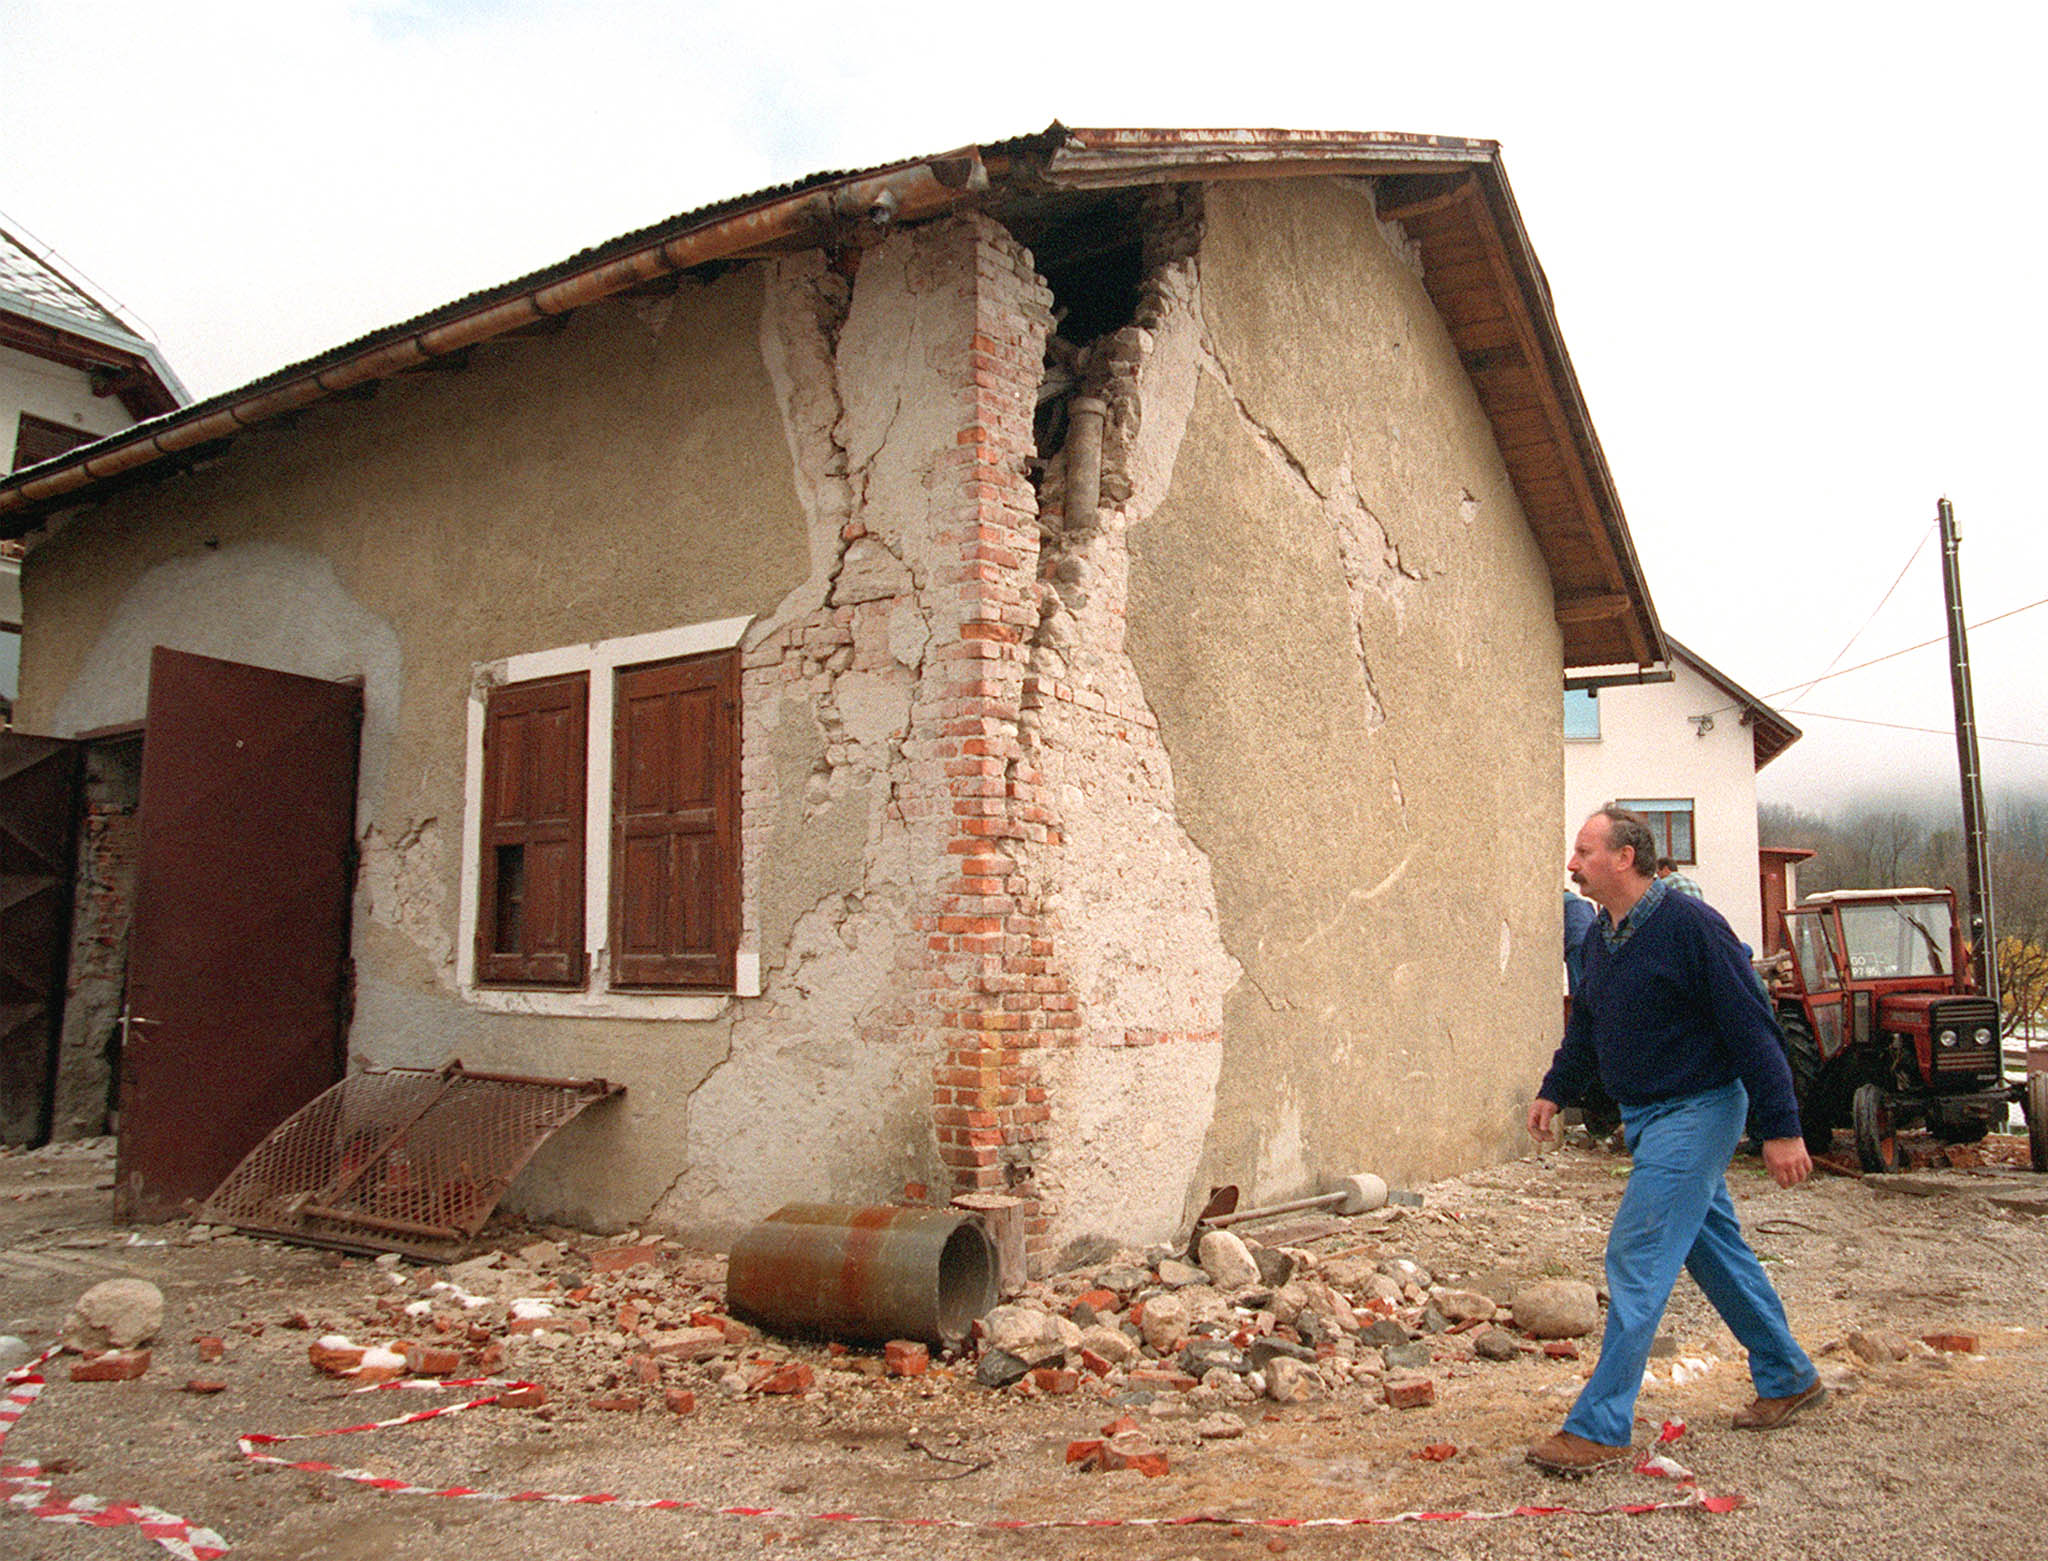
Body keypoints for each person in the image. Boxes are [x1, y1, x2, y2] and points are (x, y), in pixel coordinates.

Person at [1525, 805, 1824, 1475]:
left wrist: (1781, 1127)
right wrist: (1554, 1088)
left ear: (1623, 857)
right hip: (1650, 1114)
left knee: (1638, 1252)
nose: (1571, 864)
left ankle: (1600, 1425)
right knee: (1711, 1250)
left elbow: (1754, 1029)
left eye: (1582, 850)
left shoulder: (1693, 927)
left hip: (1702, 1107)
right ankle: (1789, 1373)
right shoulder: (1601, 937)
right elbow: (1587, 1029)